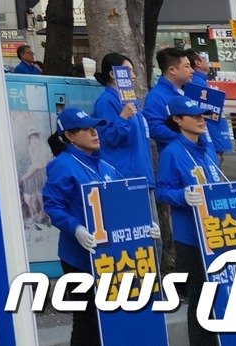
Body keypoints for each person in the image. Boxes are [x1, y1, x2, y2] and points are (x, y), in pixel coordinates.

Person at [155, 95, 236, 346]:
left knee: (222, 293)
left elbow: (217, 186)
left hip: (217, 234)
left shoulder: (207, 149)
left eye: (202, 115)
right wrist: (182, 195)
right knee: (201, 298)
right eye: (194, 116)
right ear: (177, 120)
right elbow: (161, 191)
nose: (201, 120)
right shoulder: (172, 153)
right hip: (191, 238)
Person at [41, 108, 128, 346]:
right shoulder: (63, 165)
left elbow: (126, 198)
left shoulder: (106, 166)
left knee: (111, 317)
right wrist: (77, 229)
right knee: (87, 321)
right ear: (69, 136)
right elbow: (53, 207)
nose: (94, 133)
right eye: (86, 129)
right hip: (79, 257)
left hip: (109, 256)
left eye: (94, 128)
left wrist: (143, 223)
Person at [91, 52, 152, 182]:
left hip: (141, 173)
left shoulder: (130, 101)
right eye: (128, 71)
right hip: (124, 175)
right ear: (113, 74)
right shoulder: (106, 101)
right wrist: (123, 118)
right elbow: (108, 138)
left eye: (133, 71)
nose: (133, 76)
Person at [143, 47, 194, 157]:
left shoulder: (190, 91)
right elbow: (154, 127)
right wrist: (185, 137)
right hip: (177, 156)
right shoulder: (156, 96)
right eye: (187, 66)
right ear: (172, 70)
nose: (192, 70)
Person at [186, 50, 233, 166]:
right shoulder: (197, 83)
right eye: (204, 59)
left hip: (213, 142)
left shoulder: (200, 82)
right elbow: (207, 116)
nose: (207, 62)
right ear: (197, 63)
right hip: (210, 142)